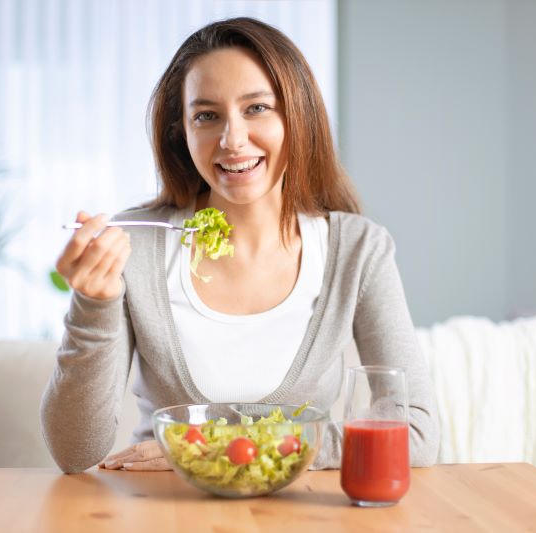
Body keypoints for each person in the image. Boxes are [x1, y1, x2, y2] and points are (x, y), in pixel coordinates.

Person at [41, 17, 439, 473]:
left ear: (297, 116)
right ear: (182, 133)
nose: (232, 140)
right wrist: (92, 306)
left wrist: (209, 447)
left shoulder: (358, 250)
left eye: (256, 108)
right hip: (160, 508)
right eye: (206, 116)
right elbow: (74, 453)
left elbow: (416, 434)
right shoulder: (137, 245)